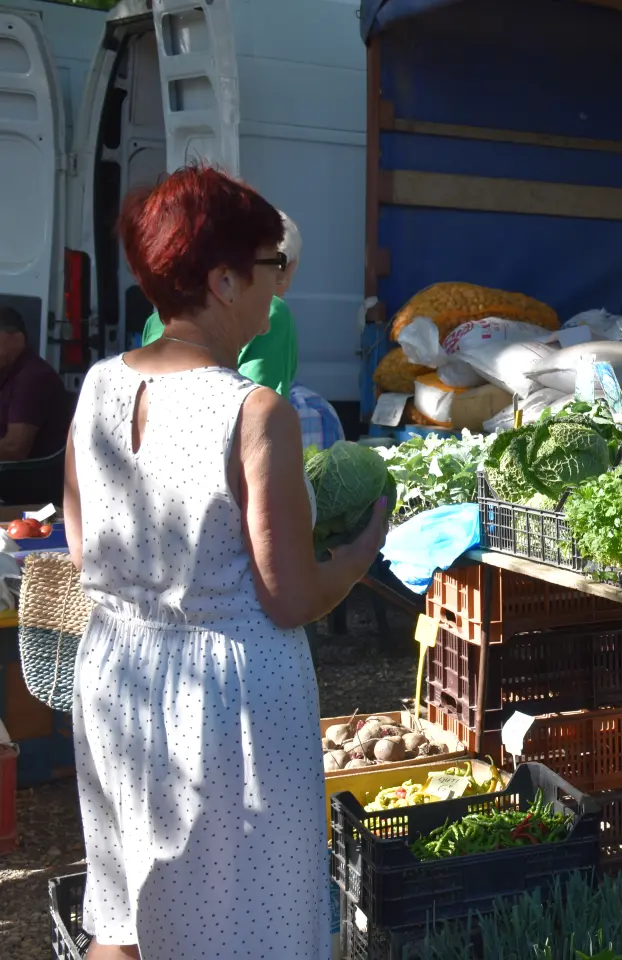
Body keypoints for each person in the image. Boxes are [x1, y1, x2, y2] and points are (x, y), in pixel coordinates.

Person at [64, 166, 385, 960]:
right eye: (272, 266)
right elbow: (291, 597)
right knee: (246, 924)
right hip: (224, 697)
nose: (278, 286)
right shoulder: (253, 411)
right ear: (225, 279)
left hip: (116, 670)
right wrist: (358, 555)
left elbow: (83, 548)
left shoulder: (99, 386)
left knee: (124, 915)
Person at [140, 210, 301, 398]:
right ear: (286, 269)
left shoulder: (157, 319)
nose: (265, 328)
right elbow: (261, 403)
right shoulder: (274, 311)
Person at [0, 306, 72, 462]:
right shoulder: (7, 373)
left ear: (18, 340)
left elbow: (14, 449)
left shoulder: (32, 378)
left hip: (26, 476)